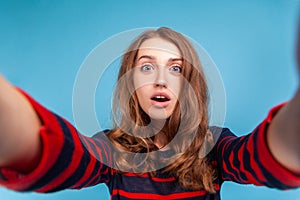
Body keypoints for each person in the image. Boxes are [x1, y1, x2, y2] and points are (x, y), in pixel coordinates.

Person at [0, 27, 300, 199]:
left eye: (176, 68)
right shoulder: (112, 151)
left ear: (188, 84)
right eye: (146, 67)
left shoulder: (215, 147)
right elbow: (58, 155)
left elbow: (264, 157)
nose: (161, 79)